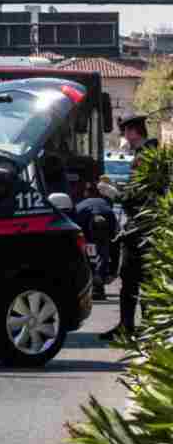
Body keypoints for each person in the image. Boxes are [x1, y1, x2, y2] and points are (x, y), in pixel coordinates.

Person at [98, 114, 160, 341]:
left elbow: (142, 195)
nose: (123, 136)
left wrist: (116, 195)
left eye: (124, 131)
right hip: (139, 226)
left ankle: (145, 329)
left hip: (144, 228)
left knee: (142, 278)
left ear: (134, 132)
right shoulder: (145, 155)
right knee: (131, 278)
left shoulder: (147, 156)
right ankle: (128, 326)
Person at [70, 168, 117, 302]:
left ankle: (95, 282)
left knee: (96, 254)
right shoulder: (105, 207)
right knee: (101, 254)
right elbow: (114, 237)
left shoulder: (82, 206)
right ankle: (97, 282)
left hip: (91, 230)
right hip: (90, 229)